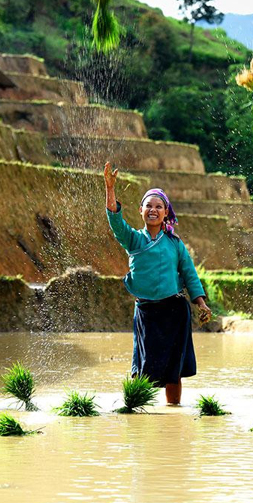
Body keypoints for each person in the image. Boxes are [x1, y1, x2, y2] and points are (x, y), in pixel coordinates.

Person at [104, 162, 211, 405]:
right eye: (148, 206)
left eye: (158, 206)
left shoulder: (174, 243)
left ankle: (173, 413)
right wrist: (110, 188)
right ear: (141, 210)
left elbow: (190, 274)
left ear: (165, 213)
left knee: (174, 371)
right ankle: (133, 409)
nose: (153, 210)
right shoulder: (133, 239)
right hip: (146, 312)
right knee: (141, 368)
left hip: (174, 312)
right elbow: (115, 221)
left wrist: (201, 304)